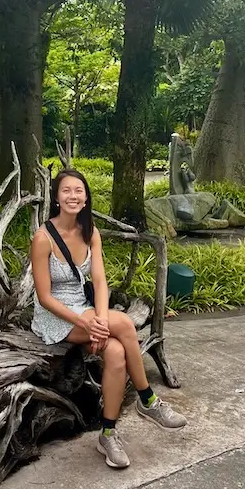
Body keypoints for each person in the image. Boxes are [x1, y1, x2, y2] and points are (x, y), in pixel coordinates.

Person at [31, 168, 187, 469]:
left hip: (85, 310)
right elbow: (44, 297)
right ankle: (148, 399)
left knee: (115, 352)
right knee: (126, 323)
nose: (73, 196)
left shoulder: (91, 233)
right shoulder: (43, 238)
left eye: (79, 190)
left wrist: (99, 320)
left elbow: (101, 282)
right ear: (56, 197)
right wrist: (89, 323)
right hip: (54, 316)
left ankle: (107, 434)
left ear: (86, 197)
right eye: (66, 191)